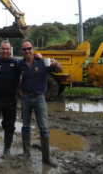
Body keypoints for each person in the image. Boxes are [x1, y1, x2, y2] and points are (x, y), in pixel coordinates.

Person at [0, 40, 41, 157]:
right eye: (3, 48)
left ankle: (6, 150)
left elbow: (28, 63)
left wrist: (37, 56)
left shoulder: (16, 62)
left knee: (9, 125)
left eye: (7, 49)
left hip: (11, 99)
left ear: (10, 50)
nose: (5, 51)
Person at [18, 38, 63, 167]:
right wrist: (19, 89)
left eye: (29, 48)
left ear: (33, 49)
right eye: (24, 49)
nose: (27, 51)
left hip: (39, 98)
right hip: (25, 98)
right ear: (22, 51)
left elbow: (60, 70)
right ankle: (26, 154)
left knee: (44, 128)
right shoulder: (20, 64)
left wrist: (56, 63)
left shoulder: (43, 62)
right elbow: (17, 77)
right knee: (25, 126)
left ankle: (46, 158)